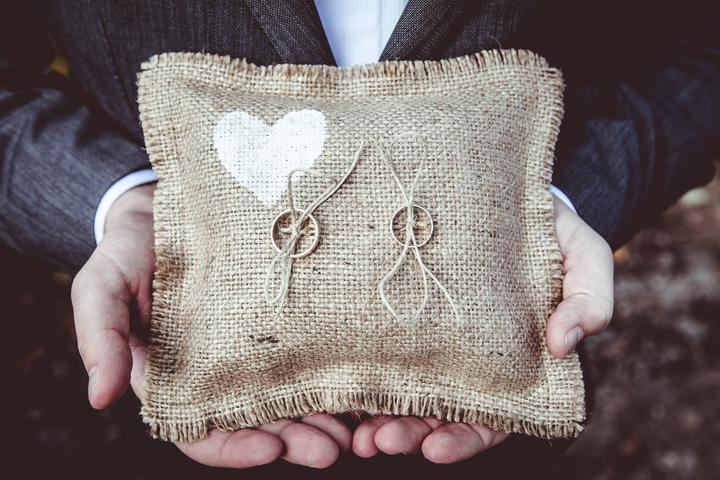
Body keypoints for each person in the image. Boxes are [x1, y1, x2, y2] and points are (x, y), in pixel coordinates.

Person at [1, 0, 717, 471]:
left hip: (496, 428)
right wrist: (127, 209)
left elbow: (698, 48)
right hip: (187, 393)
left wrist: (537, 211)